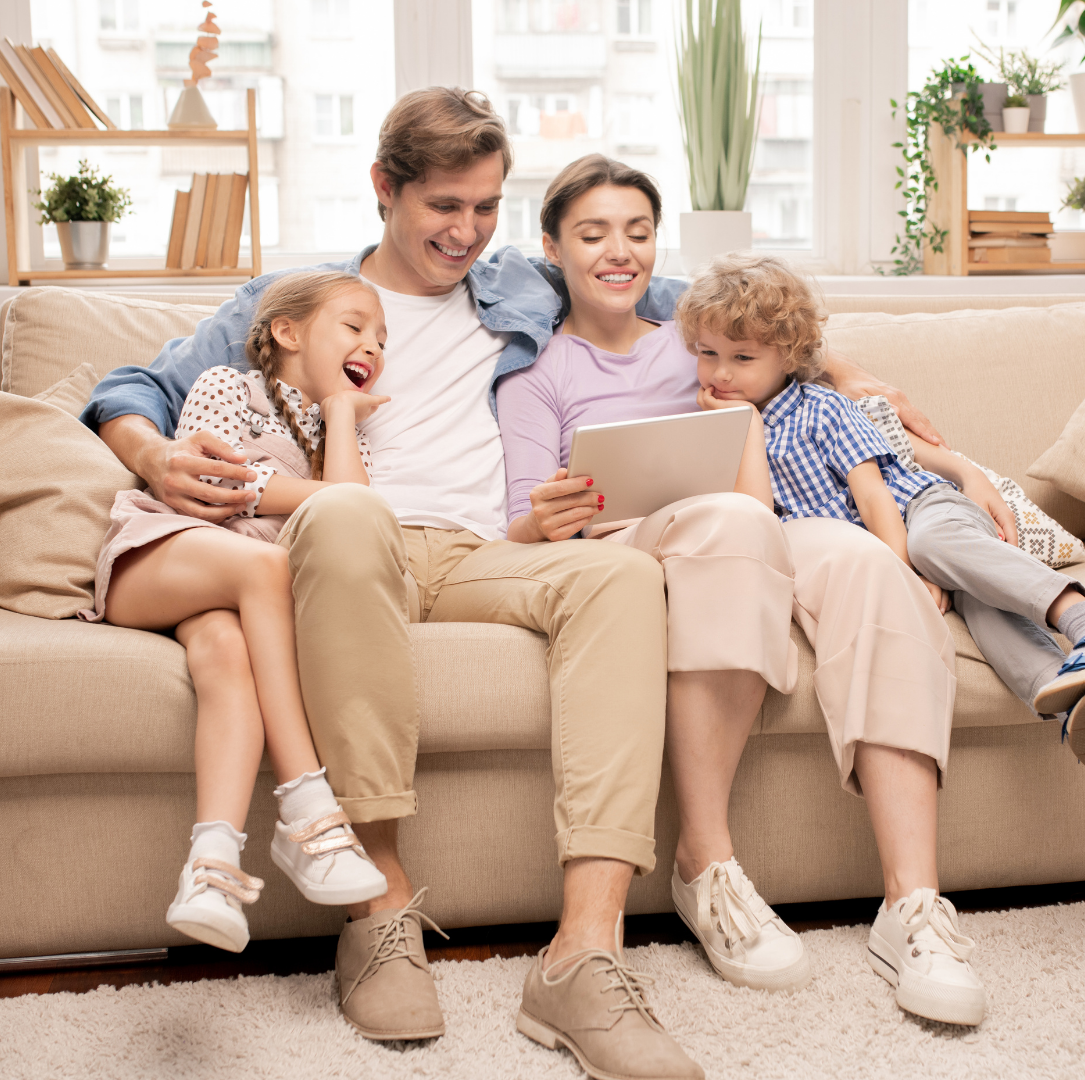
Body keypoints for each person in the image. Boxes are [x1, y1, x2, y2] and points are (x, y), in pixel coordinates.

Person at [81, 89, 940, 1076]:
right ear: (383, 189)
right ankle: (381, 906)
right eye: (444, 205)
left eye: (485, 206)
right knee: (350, 512)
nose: (465, 230)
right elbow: (132, 386)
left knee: (618, 580)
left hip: (488, 549)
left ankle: (585, 953)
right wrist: (147, 454)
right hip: (354, 540)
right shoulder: (300, 295)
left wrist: (842, 364)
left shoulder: (517, 288)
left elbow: (684, 297)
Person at [496, 155, 985, 1012]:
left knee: (874, 566)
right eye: (594, 233)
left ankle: (913, 905)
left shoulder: (697, 341)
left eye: (639, 233)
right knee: (733, 521)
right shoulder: (539, 373)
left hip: (767, 523)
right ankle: (706, 866)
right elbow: (517, 524)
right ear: (552, 248)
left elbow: (784, 340)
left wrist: (950, 461)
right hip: (636, 539)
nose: (621, 251)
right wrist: (553, 512)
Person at [678, 251, 1085, 1021]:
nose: (723, 370)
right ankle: (1068, 700)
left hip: (922, 517)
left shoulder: (819, 404)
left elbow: (877, 500)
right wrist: (734, 421)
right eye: (708, 355)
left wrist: (904, 568)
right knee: (983, 614)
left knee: (943, 557)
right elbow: (757, 513)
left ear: (790, 354)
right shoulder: (723, 416)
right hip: (871, 543)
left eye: (743, 357)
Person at [85, 270, 394, 954]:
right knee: (268, 564)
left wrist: (341, 413)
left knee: (227, 656)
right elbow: (224, 485)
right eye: (354, 327)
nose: (372, 346)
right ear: (285, 332)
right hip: (165, 555)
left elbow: (352, 508)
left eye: (381, 338)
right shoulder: (229, 385)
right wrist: (316, 485)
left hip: (232, 595)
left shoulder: (333, 429)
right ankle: (310, 812)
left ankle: (212, 871)